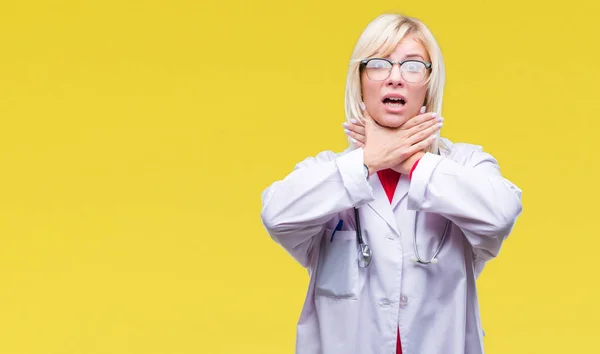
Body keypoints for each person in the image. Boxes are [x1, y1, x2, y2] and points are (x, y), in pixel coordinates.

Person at [260, 13, 522, 354]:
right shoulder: (327, 171)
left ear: (429, 83)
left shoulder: (465, 165)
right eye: (379, 64)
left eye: (412, 66)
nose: (394, 78)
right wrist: (368, 161)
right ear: (360, 80)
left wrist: (409, 160)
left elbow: (500, 213)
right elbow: (277, 215)